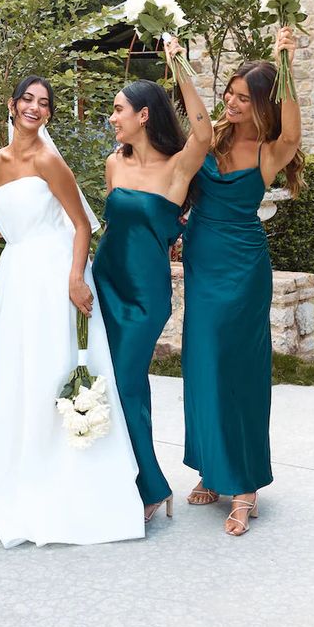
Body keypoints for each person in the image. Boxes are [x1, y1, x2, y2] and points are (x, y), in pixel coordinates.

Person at [0, 75, 145, 547]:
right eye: (28, 100)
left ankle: (63, 471)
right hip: (17, 275)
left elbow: (80, 224)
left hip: (55, 272)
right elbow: (8, 224)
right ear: (11, 105)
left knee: (54, 366)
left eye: (44, 103)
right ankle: (17, 467)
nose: (35, 108)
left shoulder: (49, 160)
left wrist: (76, 278)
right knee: (18, 372)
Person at [182, 27, 302, 536]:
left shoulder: (270, 151)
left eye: (242, 98)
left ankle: (245, 485)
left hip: (243, 265)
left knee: (240, 367)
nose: (231, 103)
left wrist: (285, 62)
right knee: (203, 362)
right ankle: (212, 466)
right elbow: (195, 120)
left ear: (262, 106)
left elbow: (294, 135)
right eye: (228, 95)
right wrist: (177, 63)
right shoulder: (212, 139)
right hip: (202, 259)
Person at [92, 38, 212, 524]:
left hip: (145, 296)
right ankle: (128, 480)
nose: (112, 116)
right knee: (112, 382)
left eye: (119, 109)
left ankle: (151, 486)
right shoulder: (114, 164)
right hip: (104, 284)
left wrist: (178, 62)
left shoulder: (177, 166)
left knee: (126, 380)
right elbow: (112, 229)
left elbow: (202, 132)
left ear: (145, 115)